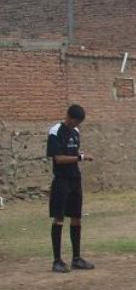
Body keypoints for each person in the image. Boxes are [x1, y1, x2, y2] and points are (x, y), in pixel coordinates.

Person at [47, 104, 96, 273]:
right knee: (59, 218)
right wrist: (80, 157)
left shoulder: (75, 133)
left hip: (75, 179)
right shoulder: (55, 131)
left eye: (79, 123)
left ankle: (76, 258)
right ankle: (57, 260)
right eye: (75, 121)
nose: (76, 125)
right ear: (69, 117)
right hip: (61, 180)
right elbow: (59, 158)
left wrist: (79, 155)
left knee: (76, 217)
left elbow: (73, 152)